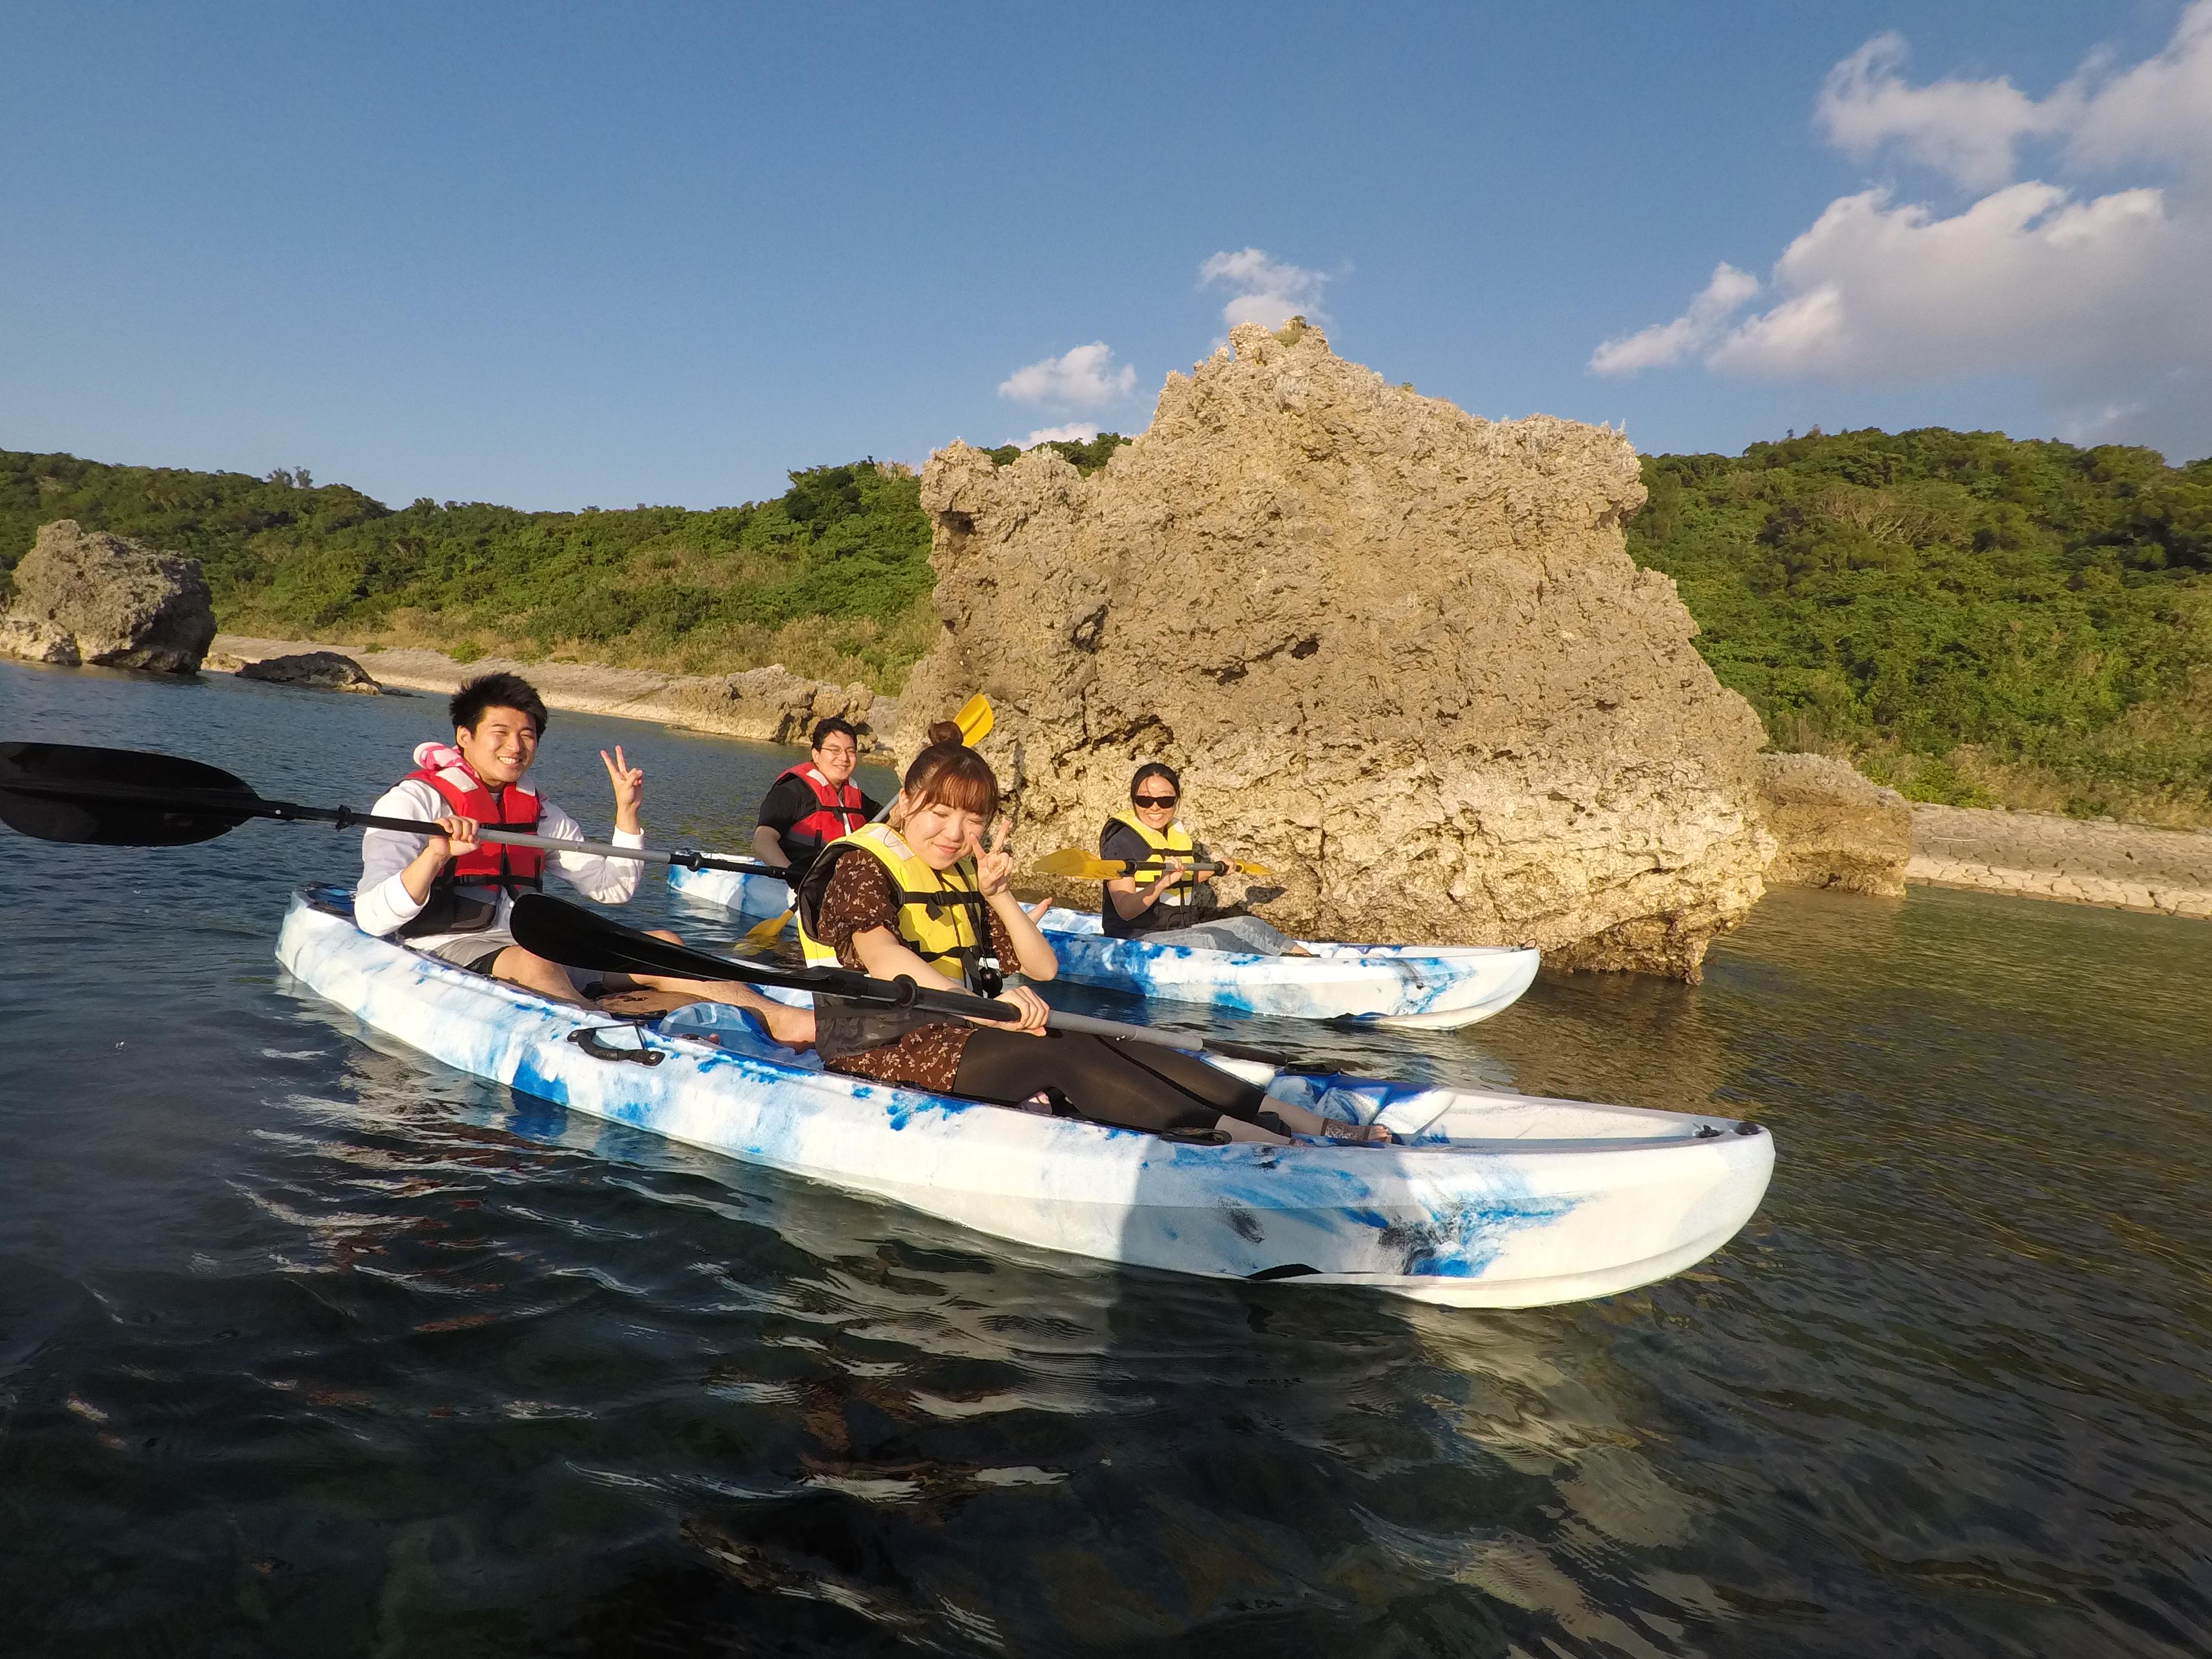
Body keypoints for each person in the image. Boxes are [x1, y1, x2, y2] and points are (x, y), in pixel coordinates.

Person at [795, 722, 1384, 1144]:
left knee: (1132, 1041)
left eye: (972, 819)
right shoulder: (862, 864)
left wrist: (999, 897)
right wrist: (983, 1008)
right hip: (882, 1047)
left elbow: (1043, 969)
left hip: (954, 1028)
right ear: (905, 804)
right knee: (1069, 1051)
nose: (955, 832)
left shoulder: (966, 872)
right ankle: (1257, 1142)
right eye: (939, 814)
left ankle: (1309, 1124)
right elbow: (880, 953)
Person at [353, 671, 813, 1045]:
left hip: (534, 948)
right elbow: (371, 916)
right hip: (444, 947)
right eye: (501, 733)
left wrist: (627, 813)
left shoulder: (539, 812)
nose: (516, 747)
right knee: (532, 963)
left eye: (527, 735)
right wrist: (434, 856)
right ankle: (622, 1037)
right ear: (465, 736)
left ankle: (781, 1019)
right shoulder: (412, 802)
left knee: (664, 943)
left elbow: (612, 890)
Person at [1100, 762, 1302, 956]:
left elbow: (1184, 877)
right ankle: (1284, 971)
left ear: (1177, 801)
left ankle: (1312, 963)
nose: (1155, 808)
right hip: (1135, 940)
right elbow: (1125, 909)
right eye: (1145, 800)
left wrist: (1218, 869)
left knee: (1249, 925)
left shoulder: (1171, 833)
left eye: (1165, 801)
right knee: (1211, 939)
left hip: (1176, 930)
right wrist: (1162, 883)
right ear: (1134, 800)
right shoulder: (1121, 842)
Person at [752, 718, 881, 886]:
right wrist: (793, 876)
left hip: (842, 885)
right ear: (816, 755)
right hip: (796, 881)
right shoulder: (791, 793)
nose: (844, 758)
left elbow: (891, 820)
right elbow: (761, 842)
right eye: (835, 750)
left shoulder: (857, 799)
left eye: (851, 751)